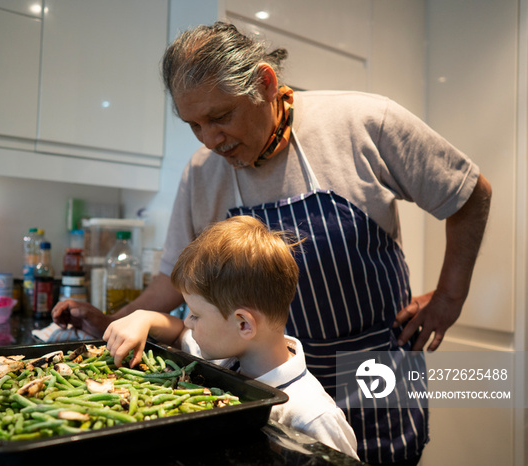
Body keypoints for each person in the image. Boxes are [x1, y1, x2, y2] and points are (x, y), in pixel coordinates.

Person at [53, 21, 492, 465]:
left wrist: (450, 297)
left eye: (221, 117)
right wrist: (115, 324)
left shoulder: (362, 124)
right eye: (194, 125)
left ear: (264, 84)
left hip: (372, 369)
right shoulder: (203, 172)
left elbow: (470, 193)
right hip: (262, 383)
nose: (210, 140)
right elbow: (174, 279)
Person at [103, 215, 359, 459]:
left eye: (195, 315)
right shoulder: (226, 358)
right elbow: (180, 333)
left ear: (244, 324)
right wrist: (144, 317)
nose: (187, 323)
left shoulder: (313, 416)